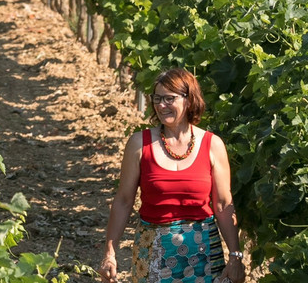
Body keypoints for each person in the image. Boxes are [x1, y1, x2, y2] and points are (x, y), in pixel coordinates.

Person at [98, 68, 245, 283]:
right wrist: (109, 253)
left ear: (189, 100)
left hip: (204, 251)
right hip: (153, 250)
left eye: (169, 98)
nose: (161, 105)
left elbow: (223, 204)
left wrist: (235, 257)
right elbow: (123, 200)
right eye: (157, 98)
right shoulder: (139, 144)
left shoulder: (213, 145)